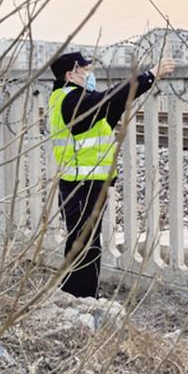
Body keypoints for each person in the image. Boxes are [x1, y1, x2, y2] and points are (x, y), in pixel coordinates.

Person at [48, 51, 175, 298]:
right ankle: (80, 298)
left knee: (85, 242)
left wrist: (146, 83)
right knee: (84, 243)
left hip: (86, 183)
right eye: (84, 69)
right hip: (80, 184)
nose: (89, 73)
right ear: (70, 74)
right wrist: (149, 75)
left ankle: (77, 295)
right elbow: (109, 98)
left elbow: (114, 103)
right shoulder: (71, 101)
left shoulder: (75, 99)